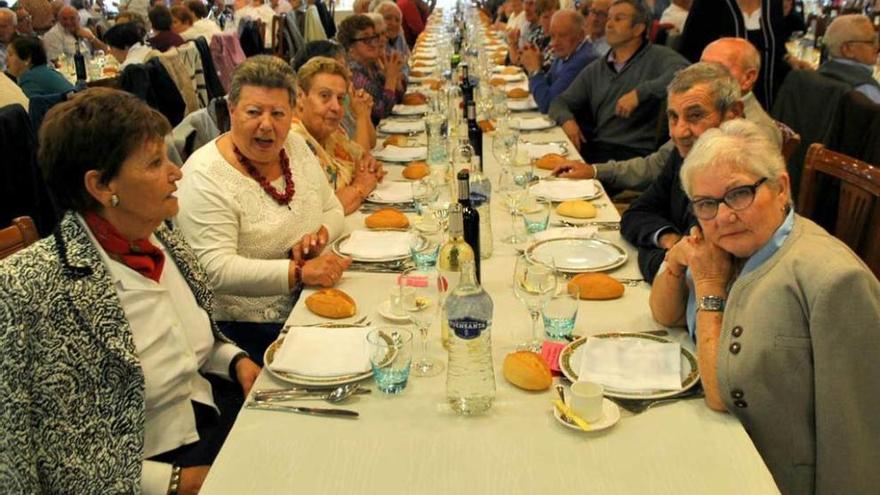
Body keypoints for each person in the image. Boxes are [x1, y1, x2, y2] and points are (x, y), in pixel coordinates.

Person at [0, 87, 261, 494]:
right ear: (102, 186)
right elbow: (42, 453)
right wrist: (174, 483)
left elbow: (198, 338)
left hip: (211, 419)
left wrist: (237, 362)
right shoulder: (34, 289)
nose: (177, 172)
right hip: (141, 471)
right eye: (156, 162)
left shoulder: (160, 238)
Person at [648, 119, 880, 495]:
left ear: (781, 188)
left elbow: (858, 446)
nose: (724, 216)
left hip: (765, 475)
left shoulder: (834, 280)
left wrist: (708, 288)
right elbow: (666, 314)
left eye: (739, 193)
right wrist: (675, 263)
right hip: (708, 443)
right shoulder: (731, 246)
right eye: (706, 204)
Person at [176, 56, 350, 361]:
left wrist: (319, 236)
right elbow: (214, 269)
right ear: (232, 110)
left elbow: (333, 209)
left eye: (278, 113)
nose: (267, 125)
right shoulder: (206, 176)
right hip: (248, 333)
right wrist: (298, 272)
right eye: (254, 112)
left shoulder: (294, 147)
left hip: (311, 302)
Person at [553, 37, 783, 191]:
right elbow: (656, 165)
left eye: (716, 69)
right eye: (700, 67)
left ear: (749, 77)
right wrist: (594, 170)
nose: (702, 77)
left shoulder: (757, 132)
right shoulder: (694, 119)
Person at [619, 63, 743, 282]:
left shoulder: (738, 180)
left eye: (695, 116)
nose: (679, 132)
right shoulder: (686, 154)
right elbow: (635, 213)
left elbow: (692, 273)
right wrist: (669, 239)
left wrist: (651, 252)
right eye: (673, 117)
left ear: (733, 114)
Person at [548, 0, 689, 163]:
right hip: (599, 150)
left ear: (638, 28)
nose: (609, 24)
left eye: (618, 19)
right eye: (609, 18)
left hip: (635, 156)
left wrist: (640, 93)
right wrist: (566, 120)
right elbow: (559, 102)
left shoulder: (658, 57)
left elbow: (686, 73)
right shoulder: (597, 68)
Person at [292, 56, 386, 215]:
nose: (336, 107)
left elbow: (362, 159)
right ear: (300, 97)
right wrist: (360, 187)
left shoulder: (331, 131)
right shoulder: (292, 142)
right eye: (325, 96)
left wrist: (368, 166)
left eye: (341, 98)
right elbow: (317, 213)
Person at [677, 0, 789, 109]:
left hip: (768, 102)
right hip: (719, 106)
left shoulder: (774, 4)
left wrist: (790, 59)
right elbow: (688, 56)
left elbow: (777, 47)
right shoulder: (709, 4)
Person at [293, 39, 378, 152]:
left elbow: (370, 144)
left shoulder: (343, 100)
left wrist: (364, 114)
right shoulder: (297, 138)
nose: (349, 73)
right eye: (324, 95)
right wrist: (361, 116)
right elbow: (362, 161)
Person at [522, 9, 599, 113]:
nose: (554, 43)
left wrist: (535, 70)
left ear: (580, 35)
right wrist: (537, 67)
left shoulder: (583, 60)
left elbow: (549, 105)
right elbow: (546, 86)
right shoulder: (566, 51)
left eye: (562, 35)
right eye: (553, 36)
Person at [338, 14, 404, 124]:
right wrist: (391, 78)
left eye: (374, 37)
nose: (374, 43)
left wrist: (396, 80)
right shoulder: (354, 75)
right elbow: (382, 112)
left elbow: (398, 100)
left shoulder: (371, 65)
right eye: (366, 39)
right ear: (350, 46)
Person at [818, 14, 880, 104]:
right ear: (847, 49)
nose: (877, 46)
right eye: (871, 42)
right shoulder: (866, 90)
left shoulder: (821, 71)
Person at [6, 35, 74, 96]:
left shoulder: (30, 79)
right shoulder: (44, 71)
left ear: (27, 59)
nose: (6, 59)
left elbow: (30, 108)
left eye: (10, 54)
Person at [41, 5, 107, 60]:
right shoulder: (52, 35)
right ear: (58, 20)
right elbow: (56, 63)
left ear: (78, 19)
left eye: (72, 18)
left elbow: (106, 51)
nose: (68, 22)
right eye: (64, 19)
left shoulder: (85, 31)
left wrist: (92, 38)